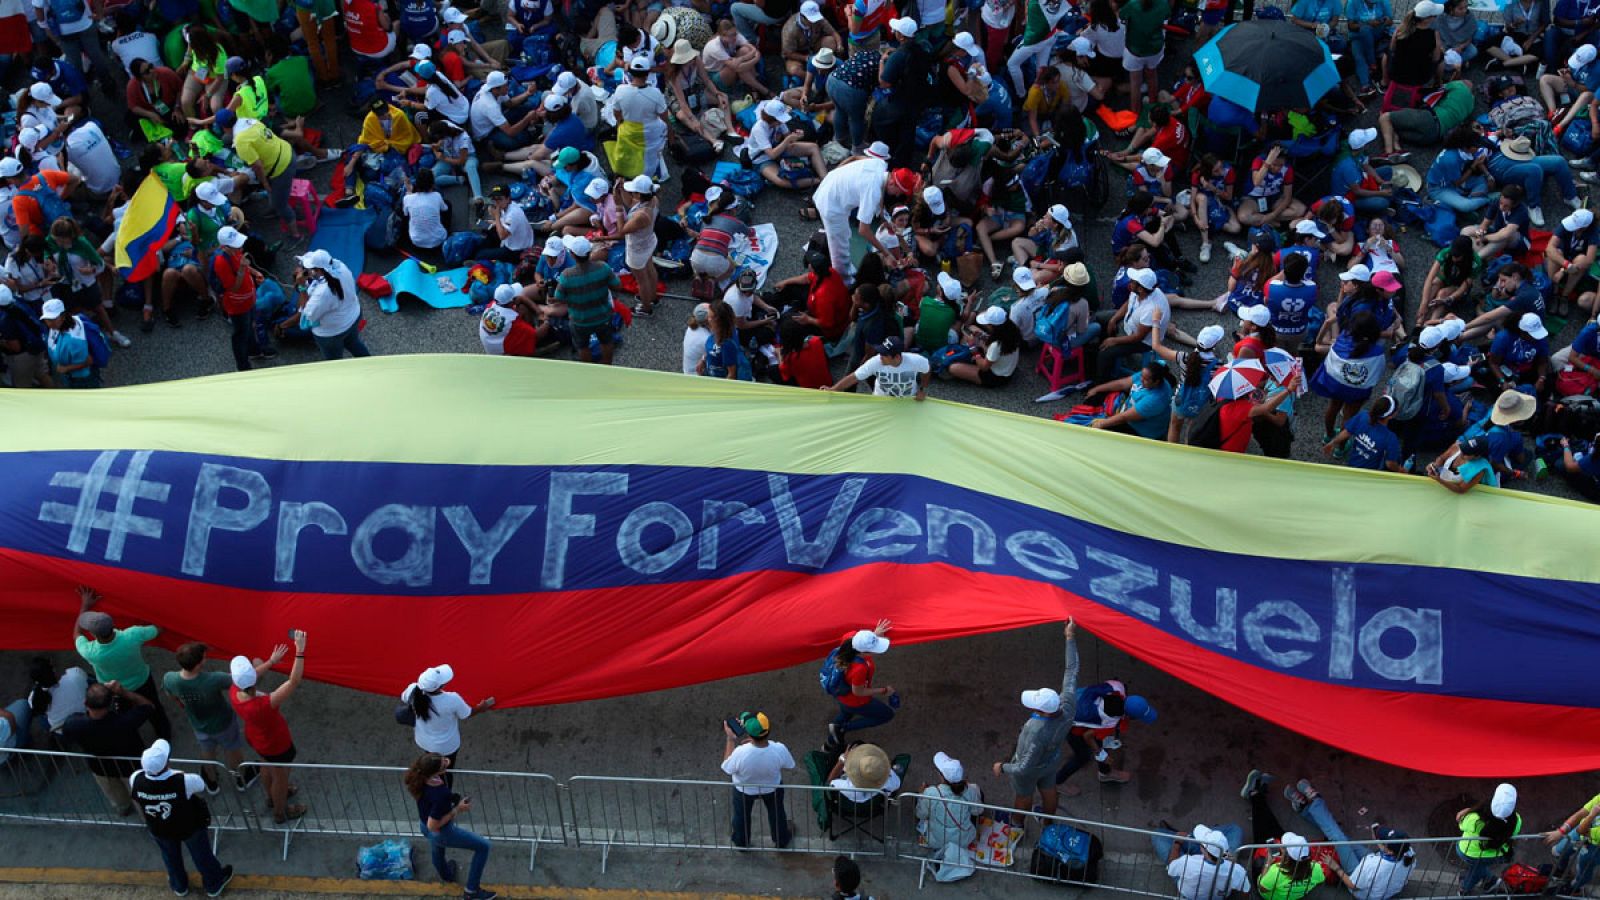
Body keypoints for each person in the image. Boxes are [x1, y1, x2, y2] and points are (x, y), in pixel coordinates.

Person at [995, 619, 1078, 824]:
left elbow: (1024, 767)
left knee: (1023, 795)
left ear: (1042, 711)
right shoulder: (1067, 707)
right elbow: (1072, 671)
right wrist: (1070, 637)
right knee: (1049, 790)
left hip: (1033, 767)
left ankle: (1016, 823)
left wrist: (1002, 767)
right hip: (1051, 761)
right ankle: (1048, 822)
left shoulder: (1036, 732)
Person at [131, 740, 236, 898]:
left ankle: (179, 885)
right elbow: (201, 785)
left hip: (159, 828)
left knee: (170, 857)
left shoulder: (135, 779)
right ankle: (214, 883)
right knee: (202, 855)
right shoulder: (184, 780)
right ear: (167, 763)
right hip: (189, 827)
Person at [228, 630, 307, 824]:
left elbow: (250, 677)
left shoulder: (234, 690)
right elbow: (294, 681)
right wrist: (300, 651)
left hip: (256, 739)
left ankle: (272, 799)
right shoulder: (264, 705)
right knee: (280, 777)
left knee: (265, 767)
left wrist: (271, 662)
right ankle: (281, 811)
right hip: (276, 743)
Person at [73, 586, 171, 741]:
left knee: (125, 720)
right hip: (142, 681)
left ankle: (134, 740)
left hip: (115, 690)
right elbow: (159, 629)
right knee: (154, 709)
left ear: (92, 634)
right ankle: (164, 735)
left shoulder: (91, 652)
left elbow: (77, 634)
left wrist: (84, 606)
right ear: (112, 625)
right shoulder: (132, 635)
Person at [164, 643, 256, 795]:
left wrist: (182, 704)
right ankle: (241, 778)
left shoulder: (170, 679)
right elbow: (240, 681)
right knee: (232, 749)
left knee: (206, 750)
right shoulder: (214, 679)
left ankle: (212, 782)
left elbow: (171, 695)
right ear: (200, 663)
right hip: (223, 723)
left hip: (198, 724)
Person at [405, 753, 499, 900]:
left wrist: (450, 797)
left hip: (423, 826)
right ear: (438, 772)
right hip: (441, 831)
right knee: (483, 846)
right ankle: (471, 891)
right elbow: (433, 824)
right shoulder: (440, 793)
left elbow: (429, 814)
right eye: (443, 764)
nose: (446, 762)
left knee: (437, 848)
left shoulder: (420, 778)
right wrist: (457, 809)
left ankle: (446, 874)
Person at [59, 681, 153, 816]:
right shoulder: (124, 722)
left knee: (115, 795)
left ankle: (123, 808)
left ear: (85, 703)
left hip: (101, 768)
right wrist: (124, 692)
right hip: (130, 768)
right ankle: (147, 818)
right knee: (141, 798)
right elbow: (148, 706)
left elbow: (67, 735)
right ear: (110, 705)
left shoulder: (74, 724)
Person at [1055, 673, 1157, 788]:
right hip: (1071, 727)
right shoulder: (1108, 721)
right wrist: (1101, 754)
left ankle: (1105, 773)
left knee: (1100, 743)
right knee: (1082, 757)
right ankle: (1057, 783)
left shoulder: (1117, 687)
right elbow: (1088, 736)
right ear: (1130, 716)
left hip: (1073, 701)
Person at [278, 250, 371, 361]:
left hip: (332, 332)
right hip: (353, 317)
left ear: (316, 270)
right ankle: (370, 365)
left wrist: (302, 287)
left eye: (307, 268)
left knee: (334, 362)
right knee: (354, 343)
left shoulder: (321, 293)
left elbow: (307, 318)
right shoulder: (340, 266)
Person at [721, 711, 795, 848]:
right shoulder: (779, 749)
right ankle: (781, 839)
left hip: (744, 790)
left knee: (741, 816)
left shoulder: (740, 752)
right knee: (777, 813)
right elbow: (790, 764)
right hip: (772, 788)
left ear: (749, 734)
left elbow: (727, 767)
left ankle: (741, 842)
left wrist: (730, 739)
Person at [401, 665, 495, 770]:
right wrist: (481, 708)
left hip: (424, 741)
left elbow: (404, 697)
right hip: (447, 746)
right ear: (440, 686)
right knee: (446, 770)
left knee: (432, 765)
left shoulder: (412, 690)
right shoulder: (452, 699)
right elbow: (466, 714)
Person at [821, 620, 895, 746]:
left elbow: (860, 641)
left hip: (841, 695)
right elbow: (858, 691)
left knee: (846, 712)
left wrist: (874, 636)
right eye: (874, 649)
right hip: (856, 700)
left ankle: (830, 743)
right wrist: (883, 690)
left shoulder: (850, 639)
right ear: (863, 652)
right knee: (886, 715)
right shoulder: (859, 669)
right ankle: (844, 728)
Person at [915, 751, 981, 882]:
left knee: (918, 802)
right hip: (964, 839)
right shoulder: (970, 790)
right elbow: (978, 811)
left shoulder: (931, 792)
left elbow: (920, 814)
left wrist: (920, 795)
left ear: (941, 776)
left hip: (937, 841)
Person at [1158, 823, 1249, 900]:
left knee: (1158, 835)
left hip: (1189, 895)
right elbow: (1246, 889)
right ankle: (1197, 836)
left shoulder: (1186, 862)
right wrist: (1227, 856)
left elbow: (1172, 868)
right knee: (1235, 829)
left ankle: (1187, 836)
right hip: (1219, 896)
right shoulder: (1237, 870)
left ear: (1203, 849)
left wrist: (1177, 842)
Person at [1456, 784, 1521, 892]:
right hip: (1497, 855)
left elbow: (1461, 825)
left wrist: (1467, 812)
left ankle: (1464, 889)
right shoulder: (1517, 820)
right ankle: (1490, 881)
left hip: (1469, 853)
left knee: (1476, 870)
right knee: (1478, 867)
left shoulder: (1474, 819)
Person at [824, 335, 930, 399]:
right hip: (881, 401)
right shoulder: (876, 362)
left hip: (908, 401)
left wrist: (922, 389)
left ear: (897, 357)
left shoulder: (916, 361)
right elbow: (854, 377)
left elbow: (927, 369)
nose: (880, 357)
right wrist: (833, 389)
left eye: (885, 354)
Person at [946, 307, 1021, 387]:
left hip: (996, 376)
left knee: (953, 368)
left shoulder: (996, 345)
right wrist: (983, 337)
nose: (985, 325)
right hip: (1006, 366)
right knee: (972, 328)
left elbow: (983, 367)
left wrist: (972, 346)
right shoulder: (1012, 330)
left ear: (992, 326)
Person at [1428, 435, 1501, 493]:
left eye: (1467, 453)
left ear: (1477, 456)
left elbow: (1461, 489)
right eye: (1463, 449)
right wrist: (1435, 465)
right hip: (1441, 488)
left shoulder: (1479, 470)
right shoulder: (1456, 447)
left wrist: (1439, 480)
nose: (1461, 453)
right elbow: (1442, 458)